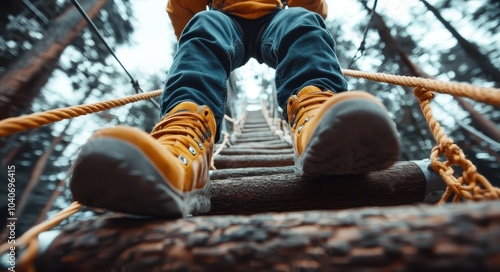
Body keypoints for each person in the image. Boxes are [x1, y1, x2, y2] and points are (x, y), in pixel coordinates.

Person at [69, 0, 401, 218]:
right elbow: (185, 25)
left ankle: (317, 119)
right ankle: (184, 147)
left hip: (278, 15)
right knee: (204, 27)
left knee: (302, 21)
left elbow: (316, 12)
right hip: (224, 19)